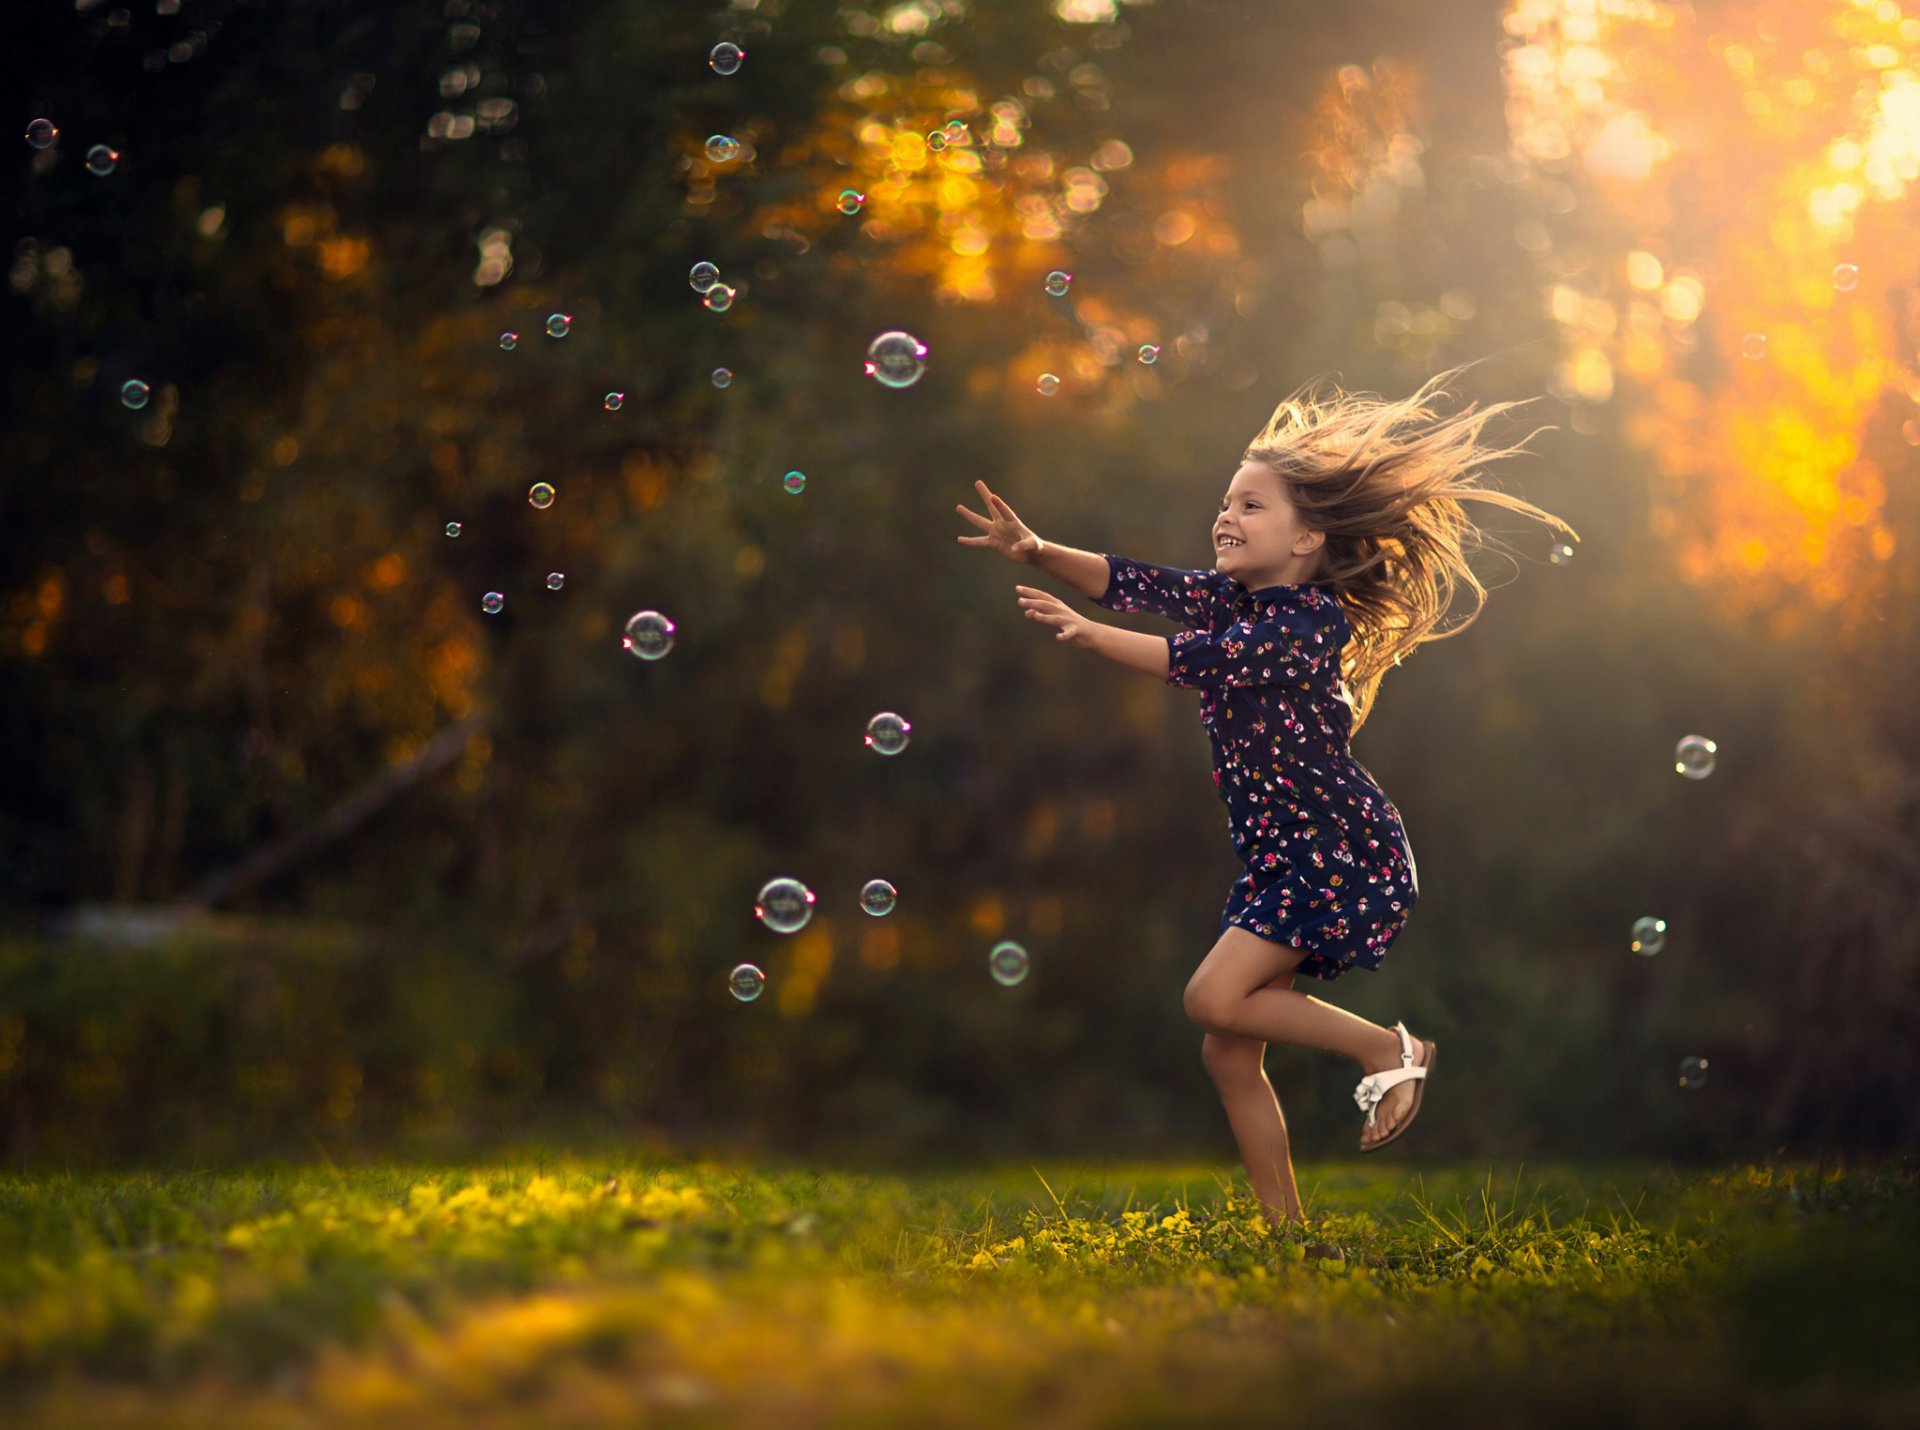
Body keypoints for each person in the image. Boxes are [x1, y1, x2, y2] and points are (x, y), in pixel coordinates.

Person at [955, 362, 1579, 1255]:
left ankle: (1385, 1050)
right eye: (1226, 501)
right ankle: (1287, 1236)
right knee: (1227, 1047)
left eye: (1252, 505)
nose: (1226, 516)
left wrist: (1090, 636)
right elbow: (1136, 582)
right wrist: (1040, 550)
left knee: (1212, 998)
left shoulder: (1303, 625)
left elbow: (1192, 662)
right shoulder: (1235, 599)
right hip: (1281, 854)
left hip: (1334, 847)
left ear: (1307, 539)